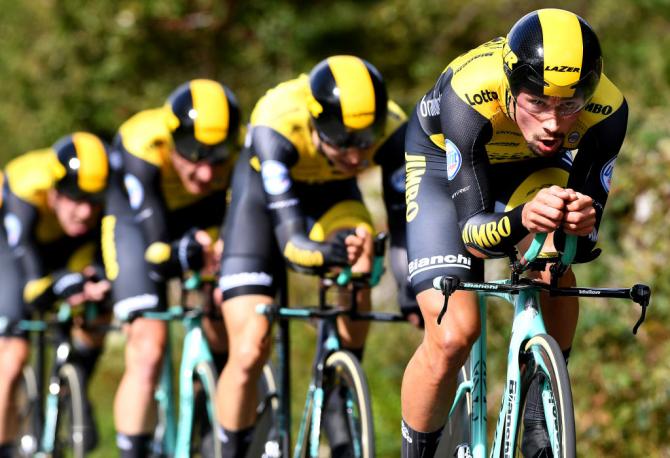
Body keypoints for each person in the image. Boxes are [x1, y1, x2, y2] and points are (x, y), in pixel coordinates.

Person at [401, 8, 627, 457]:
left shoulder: (608, 109)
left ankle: (541, 409)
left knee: (555, 256)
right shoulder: (470, 93)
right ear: (510, 86)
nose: (554, 123)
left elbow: (582, 243)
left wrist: (581, 224)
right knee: (452, 336)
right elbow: (472, 234)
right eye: (537, 102)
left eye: (569, 105)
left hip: (534, 169)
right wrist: (525, 217)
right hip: (442, 168)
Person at [215, 54, 417, 457]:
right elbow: (292, 246)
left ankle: (340, 382)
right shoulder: (277, 121)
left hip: (334, 201)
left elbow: (402, 227)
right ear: (314, 121)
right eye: (343, 140)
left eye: (365, 140)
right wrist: (323, 255)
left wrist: (409, 291)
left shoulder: (393, 125)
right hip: (261, 207)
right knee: (251, 347)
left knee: (362, 252)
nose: (357, 155)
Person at [102, 78, 241, 457]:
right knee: (148, 349)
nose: (206, 172)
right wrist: (182, 253)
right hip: (139, 225)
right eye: (193, 155)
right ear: (171, 141)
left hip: (202, 217)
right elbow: (157, 248)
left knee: (227, 313)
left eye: (216, 158)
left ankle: (210, 415)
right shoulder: (142, 142)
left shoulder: (241, 141)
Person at [0, 132, 111, 456]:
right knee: (13, 352)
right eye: (75, 198)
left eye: (93, 200)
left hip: (65, 246)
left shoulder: (91, 208)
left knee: (97, 309)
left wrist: (93, 284)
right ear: (53, 194)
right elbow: (30, 277)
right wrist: (56, 283)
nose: (85, 211)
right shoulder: (27, 186)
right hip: (13, 251)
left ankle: (74, 383)